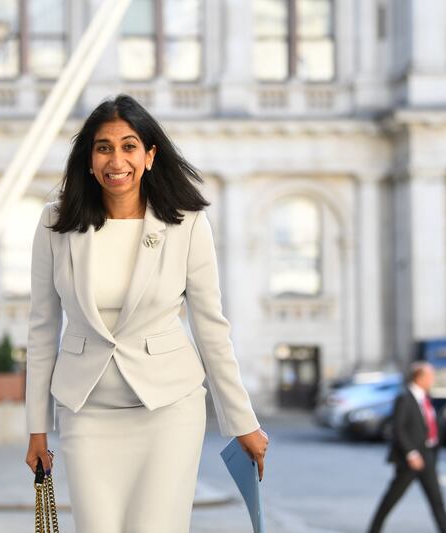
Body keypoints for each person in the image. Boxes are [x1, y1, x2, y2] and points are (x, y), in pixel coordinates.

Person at [23, 94, 268, 533]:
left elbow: (211, 327)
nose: (116, 159)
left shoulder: (186, 223)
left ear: (150, 155)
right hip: (87, 411)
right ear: (89, 159)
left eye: (129, 145)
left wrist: (242, 421)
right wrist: (36, 428)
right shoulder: (54, 223)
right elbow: (42, 328)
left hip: (169, 411)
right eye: (103, 147)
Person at [368, 362, 446, 533]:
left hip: (428, 455)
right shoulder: (404, 398)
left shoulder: (425, 398)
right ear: (420, 377)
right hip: (411, 459)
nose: (433, 380)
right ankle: (373, 529)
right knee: (392, 497)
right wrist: (411, 453)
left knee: (436, 499)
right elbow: (398, 428)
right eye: (430, 376)